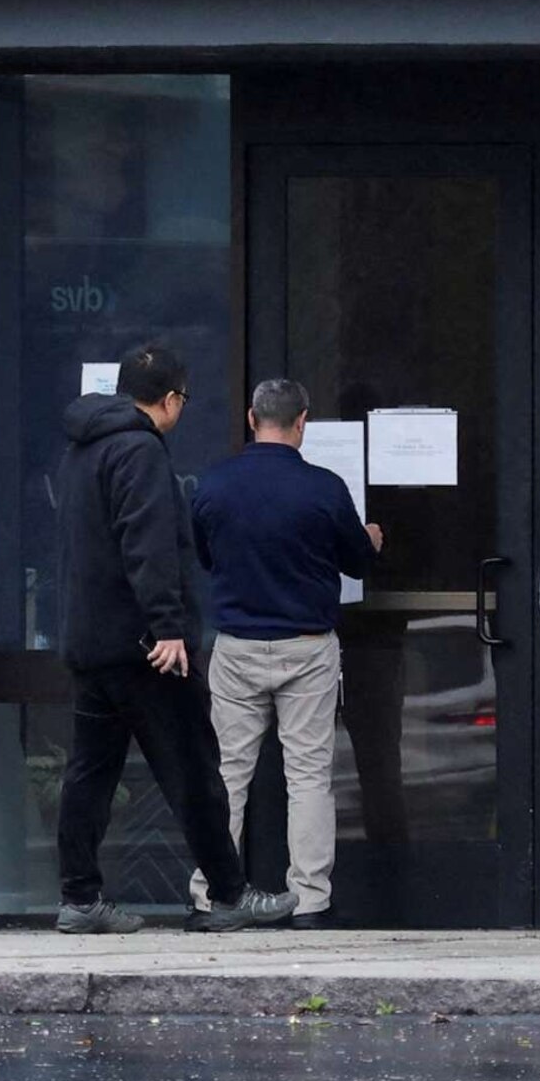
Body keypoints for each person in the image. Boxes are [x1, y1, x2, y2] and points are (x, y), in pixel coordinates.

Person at [51, 343, 294, 935]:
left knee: (89, 773)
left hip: (91, 642)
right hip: (145, 647)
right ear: (170, 399)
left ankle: (80, 898)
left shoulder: (81, 452)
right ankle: (230, 894)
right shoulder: (139, 451)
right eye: (182, 400)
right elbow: (148, 542)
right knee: (193, 769)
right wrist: (168, 626)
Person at [190, 378, 382, 930]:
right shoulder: (324, 487)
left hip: (237, 645)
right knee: (308, 776)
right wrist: (370, 539)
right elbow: (356, 563)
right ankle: (311, 900)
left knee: (227, 774)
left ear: (252, 418)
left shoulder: (214, 484)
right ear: (302, 423)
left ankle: (211, 895)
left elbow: (205, 556)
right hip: (307, 645)